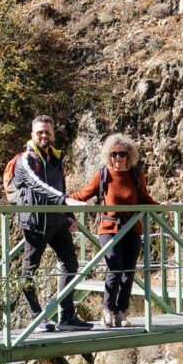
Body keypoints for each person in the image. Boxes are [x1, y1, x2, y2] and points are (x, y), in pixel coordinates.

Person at [69, 133, 168, 328]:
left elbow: (144, 199)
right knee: (115, 267)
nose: (118, 158)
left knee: (128, 272)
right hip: (109, 228)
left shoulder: (136, 175)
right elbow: (83, 194)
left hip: (133, 229)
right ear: (108, 155)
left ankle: (121, 312)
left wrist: (160, 206)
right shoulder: (103, 175)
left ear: (129, 155)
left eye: (122, 154)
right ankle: (107, 310)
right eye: (114, 154)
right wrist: (65, 205)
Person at [13, 115, 94, 332]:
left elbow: (60, 187)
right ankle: (37, 318)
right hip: (35, 222)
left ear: (53, 135)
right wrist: (66, 201)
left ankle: (67, 317)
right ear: (32, 134)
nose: (44, 136)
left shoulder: (55, 158)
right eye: (40, 132)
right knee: (29, 271)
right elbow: (37, 185)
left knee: (71, 265)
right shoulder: (24, 160)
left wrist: (69, 215)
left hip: (58, 221)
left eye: (48, 132)